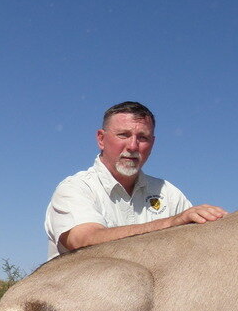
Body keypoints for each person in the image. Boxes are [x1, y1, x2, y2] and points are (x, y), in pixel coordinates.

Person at [44, 101, 227, 259]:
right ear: (101, 139)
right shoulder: (76, 188)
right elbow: (84, 241)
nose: (132, 146)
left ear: (153, 143)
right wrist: (171, 223)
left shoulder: (168, 193)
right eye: (123, 135)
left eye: (143, 138)